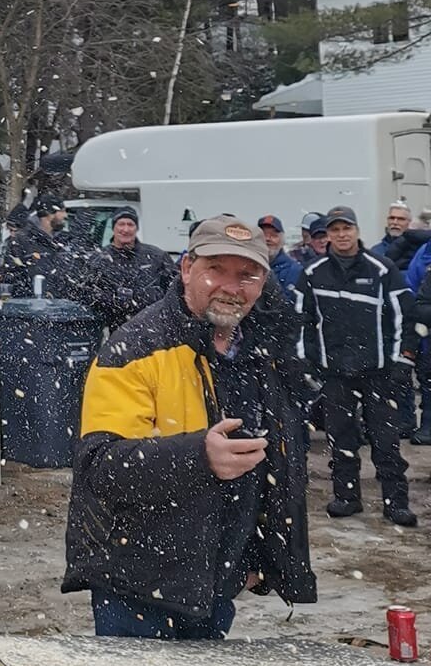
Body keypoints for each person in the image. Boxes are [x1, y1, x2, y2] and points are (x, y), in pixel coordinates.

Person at [63, 215, 315, 638]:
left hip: (218, 579)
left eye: (247, 275)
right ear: (186, 269)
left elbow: (279, 469)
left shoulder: (263, 353)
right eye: (216, 270)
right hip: (138, 584)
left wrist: (260, 555)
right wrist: (198, 457)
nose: (232, 288)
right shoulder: (135, 347)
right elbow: (101, 467)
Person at [295, 206, 418, 526]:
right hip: (335, 373)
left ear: (357, 230)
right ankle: (347, 496)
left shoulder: (382, 269)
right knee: (342, 439)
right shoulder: (312, 273)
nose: (341, 235)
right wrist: (307, 361)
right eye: (334, 230)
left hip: (378, 373)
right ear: (326, 236)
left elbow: (405, 316)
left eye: (346, 228)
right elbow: (299, 321)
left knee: (386, 441)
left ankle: (396, 501)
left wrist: (402, 359)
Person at [88, 207, 178, 329]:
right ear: (113, 228)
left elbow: (175, 288)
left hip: (152, 326)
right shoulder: (99, 259)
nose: (126, 229)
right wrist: (114, 300)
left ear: (137, 228)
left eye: (130, 224)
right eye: (121, 224)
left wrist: (145, 297)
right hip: (115, 329)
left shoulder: (156, 256)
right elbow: (89, 293)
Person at [0, 194, 75, 299]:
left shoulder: (64, 240)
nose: (65, 215)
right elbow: (11, 276)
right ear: (49, 213)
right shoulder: (23, 240)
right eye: (62, 211)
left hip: (61, 307)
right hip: (31, 307)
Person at [259, 214, 301, 294]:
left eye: (273, 235)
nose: (268, 239)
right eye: (263, 235)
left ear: (282, 241)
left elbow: (289, 303)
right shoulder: (247, 265)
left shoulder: (294, 270)